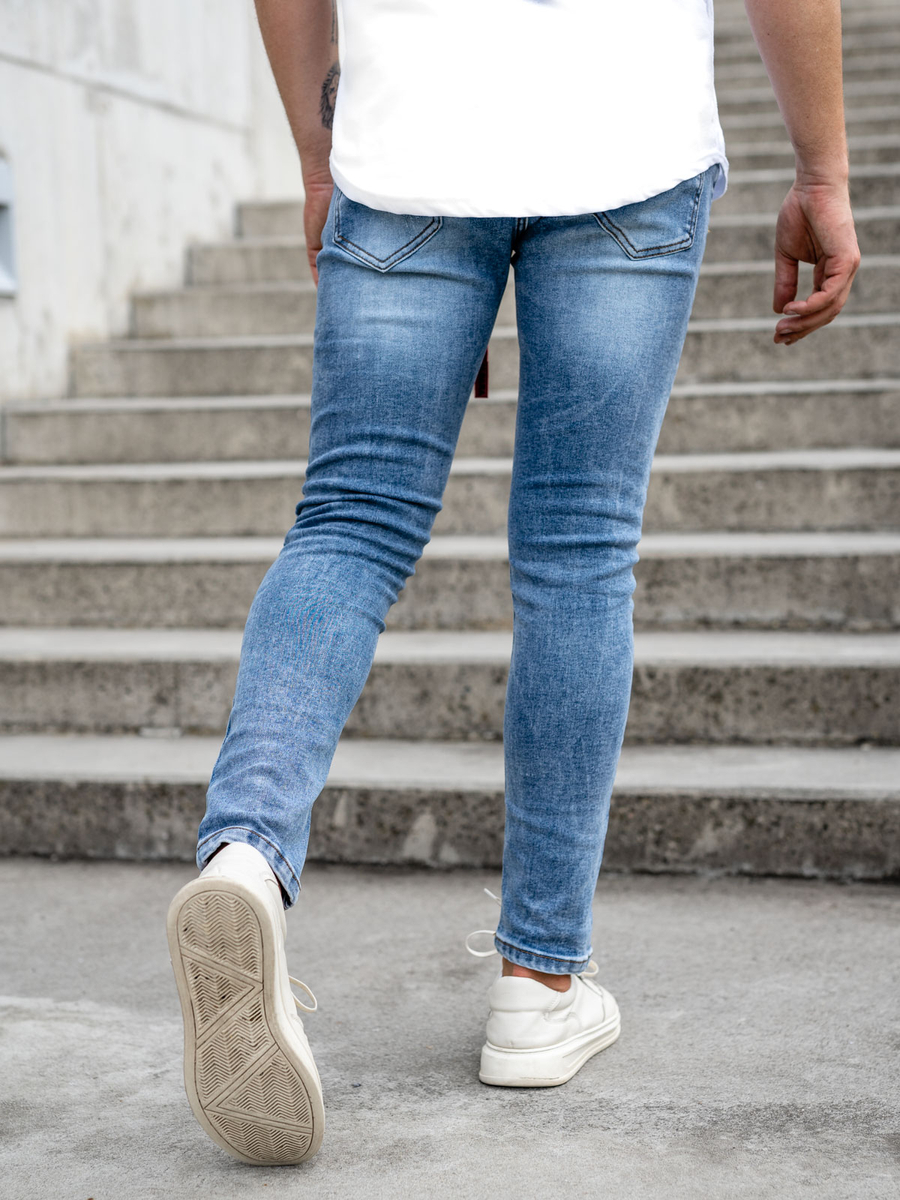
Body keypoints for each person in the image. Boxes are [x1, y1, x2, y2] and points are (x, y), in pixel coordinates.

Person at [166, 0, 860, 1167]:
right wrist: (822, 172)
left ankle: (244, 854)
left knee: (349, 524)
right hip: (625, 144)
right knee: (579, 552)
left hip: (408, 152)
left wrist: (320, 159)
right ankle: (539, 987)